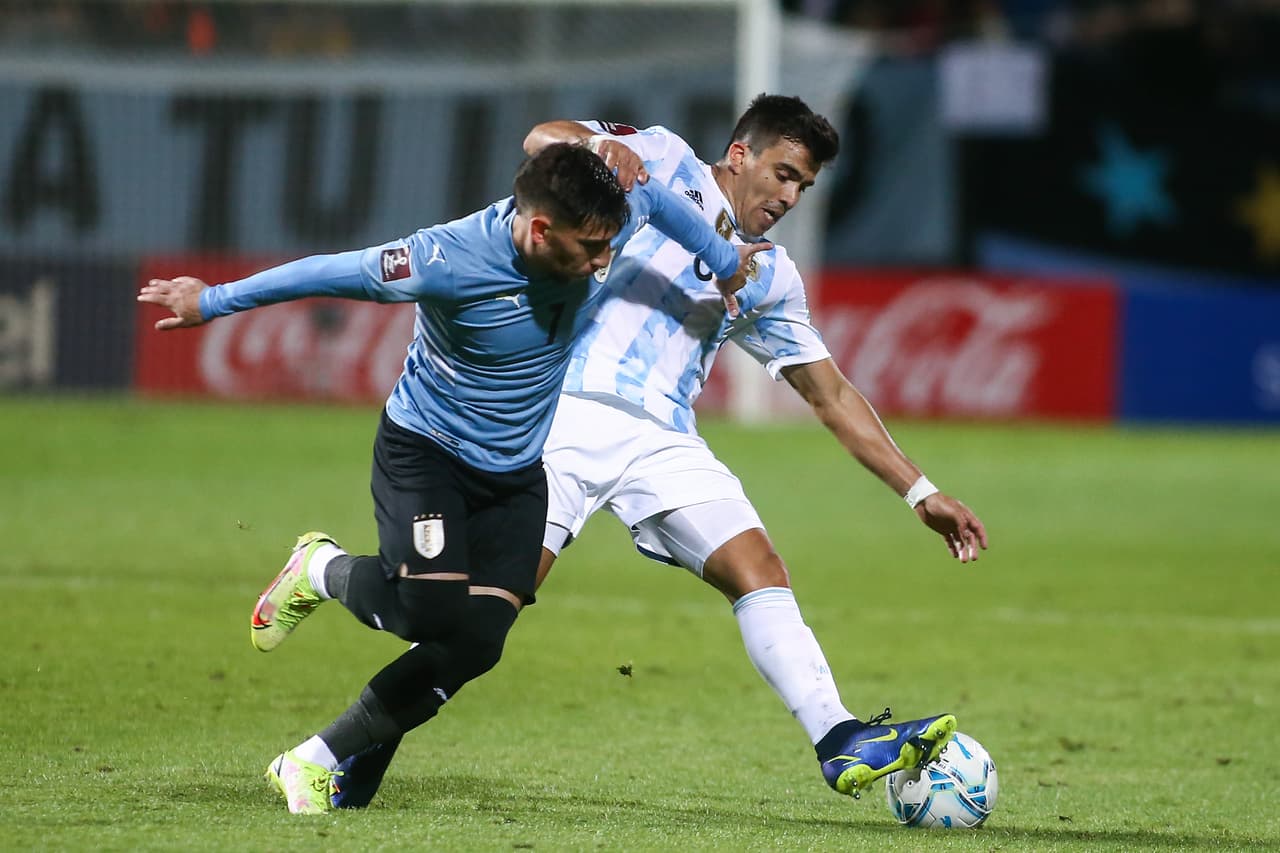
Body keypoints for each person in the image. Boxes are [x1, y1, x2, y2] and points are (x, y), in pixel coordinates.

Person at [330, 95, 989, 809]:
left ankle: (838, 737)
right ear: (740, 154)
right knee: (482, 615)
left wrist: (920, 491)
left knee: (759, 568)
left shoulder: (768, 274)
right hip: (562, 417)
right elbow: (542, 138)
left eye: (804, 184)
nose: (790, 195)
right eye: (784, 172)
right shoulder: (667, 160)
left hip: (665, 439)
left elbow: (831, 395)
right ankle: (359, 738)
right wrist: (605, 152)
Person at [137, 143, 766, 815]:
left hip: (518, 475)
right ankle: (320, 568)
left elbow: (660, 202)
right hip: (427, 456)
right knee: (430, 611)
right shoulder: (443, 259)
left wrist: (727, 265)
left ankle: (311, 759)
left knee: (477, 642)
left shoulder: (606, 218)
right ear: (539, 229)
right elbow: (327, 271)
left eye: (609, 246)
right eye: (589, 249)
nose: (602, 263)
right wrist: (212, 299)